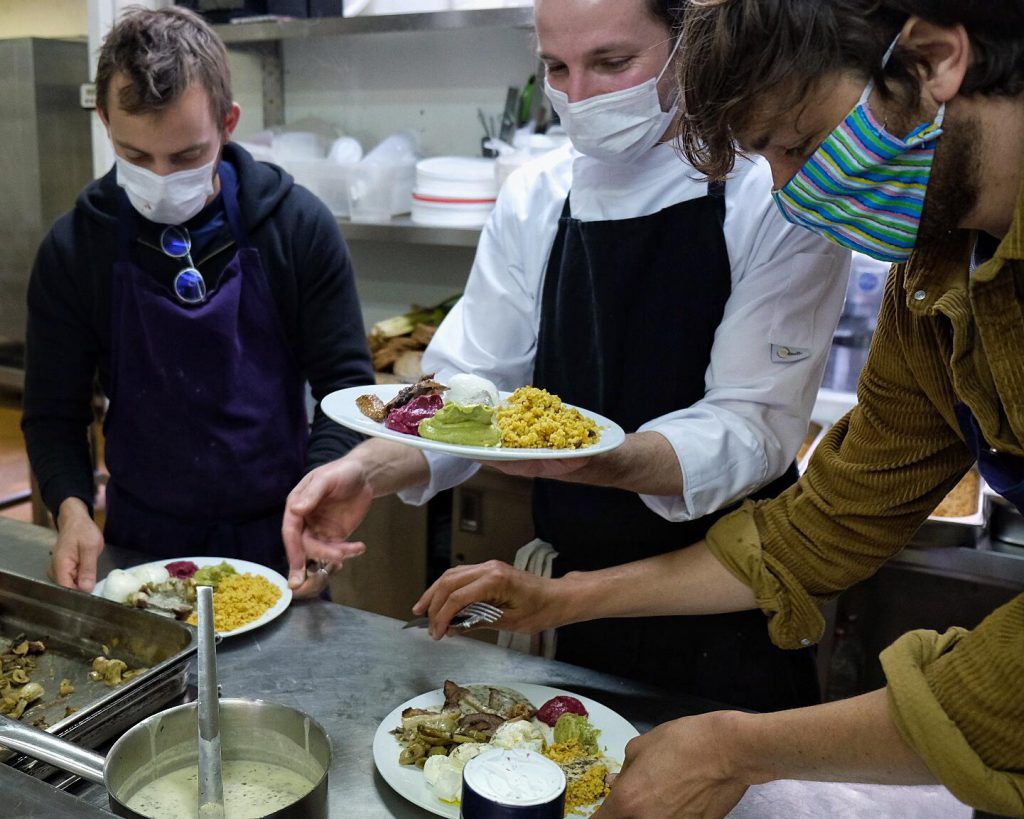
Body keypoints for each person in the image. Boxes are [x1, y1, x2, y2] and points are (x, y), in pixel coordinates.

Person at [412, 1, 1024, 816]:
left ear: (938, 59)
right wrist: (570, 598)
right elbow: (813, 531)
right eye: (763, 156)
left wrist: (742, 746)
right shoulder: (934, 281)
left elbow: (1000, 690)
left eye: (799, 145)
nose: (785, 186)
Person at [283, 0, 851, 711]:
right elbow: (473, 388)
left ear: (689, 47)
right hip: (568, 603)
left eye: (613, 64)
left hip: (724, 608)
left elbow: (752, 425)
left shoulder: (774, 185)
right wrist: (366, 468)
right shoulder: (538, 195)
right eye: (555, 67)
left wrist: (605, 460)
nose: (577, 97)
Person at [22, 7, 373, 599]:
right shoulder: (76, 247)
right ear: (106, 118)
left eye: (185, 157)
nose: (161, 178)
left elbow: (345, 391)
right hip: (140, 541)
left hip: (280, 530)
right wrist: (73, 511)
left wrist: (317, 506)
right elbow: (55, 413)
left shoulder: (294, 226)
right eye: (136, 157)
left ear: (228, 123)